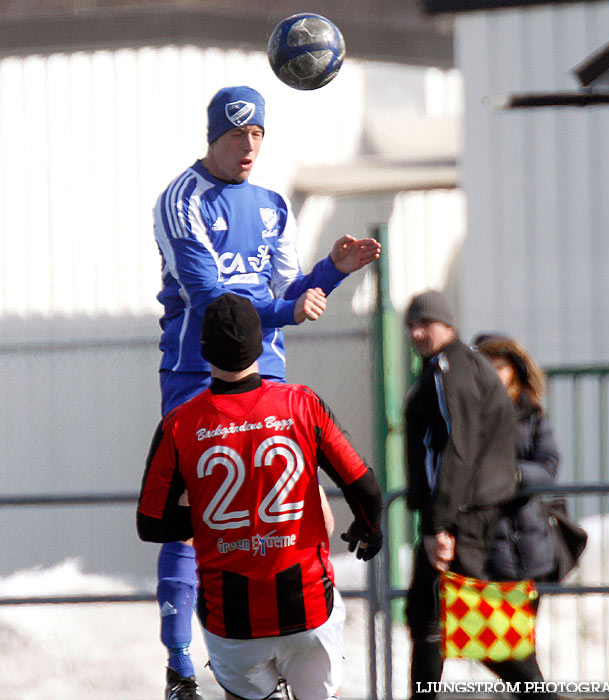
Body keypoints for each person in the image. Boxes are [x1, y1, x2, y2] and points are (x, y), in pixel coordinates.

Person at [152, 85, 380, 699]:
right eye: (235, 136)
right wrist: (291, 308)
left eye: (256, 135)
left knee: (297, 508)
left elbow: (286, 295)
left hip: (267, 374)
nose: (248, 146)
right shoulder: (181, 200)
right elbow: (213, 304)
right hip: (197, 373)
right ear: (212, 138)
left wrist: (331, 270)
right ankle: (179, 664)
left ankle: (300, 635)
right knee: (192, 522)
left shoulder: (275, 205)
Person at [137, 293, 383, 700]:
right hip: (308, 610)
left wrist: (209, 524)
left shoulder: (180, 424)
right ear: (261, 343)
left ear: (203, 350)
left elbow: (151, 523)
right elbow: (365, 488)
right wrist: (368, 528)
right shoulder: (302, 404)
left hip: (233, 624)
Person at [402, 289, 520, 699]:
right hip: (457, 513)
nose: (417, 333)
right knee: (428, 618)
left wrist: (440, 523)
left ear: (448, 325)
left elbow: (458, 447)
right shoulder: (442, 366)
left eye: (425, 324)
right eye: (411, 326)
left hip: (462, 516)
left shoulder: (451, 367)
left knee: (475, 623)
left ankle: (541, 692)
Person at [473, 332, 561, 692]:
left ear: (514, 370)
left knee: (515, 646)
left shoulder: (531, 414)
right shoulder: (467, 411)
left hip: (525, 545)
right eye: (485, 367)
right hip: (483, 544)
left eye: (499, 366)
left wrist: (512, 475)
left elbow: (549, 467)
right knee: (491, 641)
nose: (493, 374)